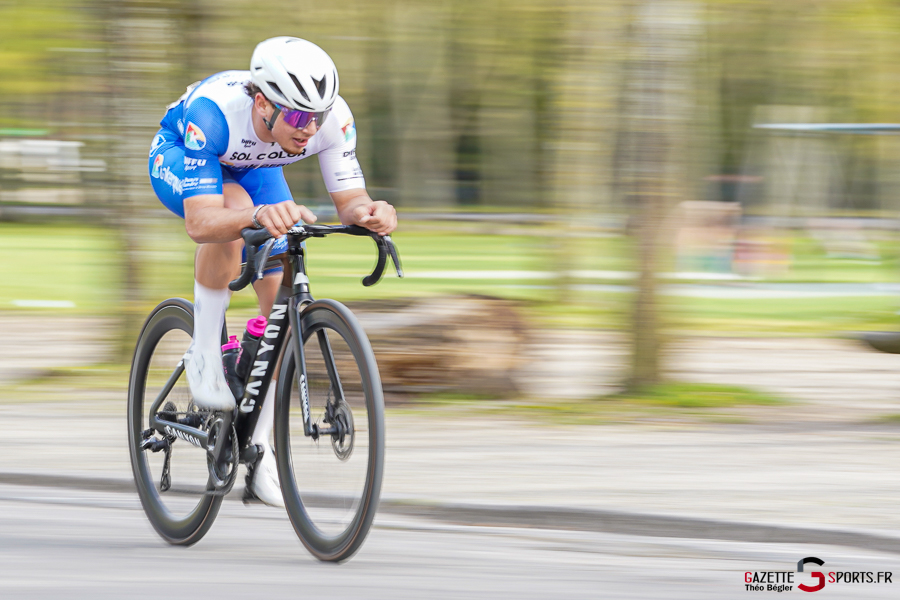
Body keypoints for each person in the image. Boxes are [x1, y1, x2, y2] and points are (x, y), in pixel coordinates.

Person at [148, 36, 397, 507]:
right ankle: (204, 353)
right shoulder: (214, 113)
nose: (310, 129)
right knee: (238, 214)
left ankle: (258, 453)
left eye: (317, 118)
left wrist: (372, 213)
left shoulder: (331, 120)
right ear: (263, 103)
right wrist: (252, 217)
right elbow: (201, 223)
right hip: (185, 154)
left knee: (280, 309)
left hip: (259, 165)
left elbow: (350, 202)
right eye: (300, 118)